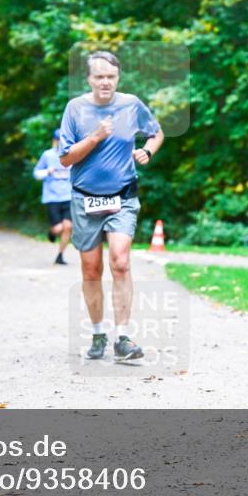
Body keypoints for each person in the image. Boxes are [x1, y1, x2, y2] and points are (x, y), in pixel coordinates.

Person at [59, 51, 165, 362]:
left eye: (111, 76)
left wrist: (147, 150)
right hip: (85, 198)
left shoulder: (131, 104)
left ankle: (123, 337)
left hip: (123, 197)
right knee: (91, 269)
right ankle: (97, 333)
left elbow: (156, 133)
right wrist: (95, 137)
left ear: (118, 78)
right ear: (89, 79)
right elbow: (65, 159)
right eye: (99, 77)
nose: (105, 82)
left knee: (120, 261)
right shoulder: (75, 109)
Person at [33, 128, 73, 265]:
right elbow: (36, 173)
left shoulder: (72, 154)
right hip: (52, 197)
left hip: (68, 196)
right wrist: (47, 172)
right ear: (54, 141)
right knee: (58, 228)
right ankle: (52, 233)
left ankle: (60, 255)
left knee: (68, 227)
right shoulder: (47, 155)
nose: (60, 143)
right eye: (58, 140)